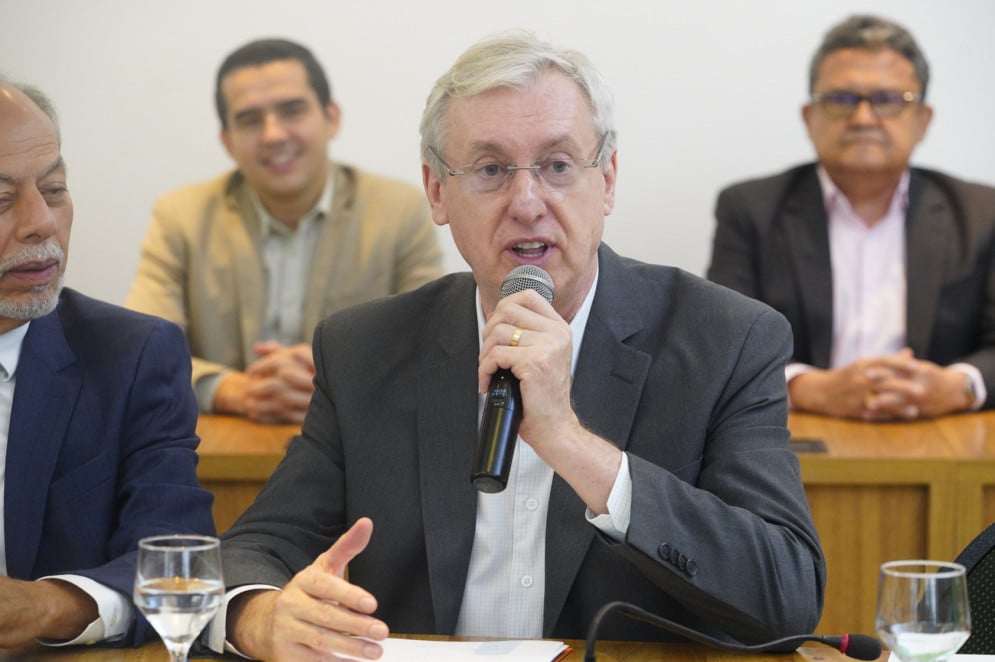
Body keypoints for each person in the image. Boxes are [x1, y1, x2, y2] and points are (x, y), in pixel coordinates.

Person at [207, 31, 825, 660]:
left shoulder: (726, 339)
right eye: (491, 171)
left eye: (558, 165)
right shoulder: (364, 348)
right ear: (437, 191)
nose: (527, 204)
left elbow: (786, 594)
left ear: (607, 179)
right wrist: (260, 618)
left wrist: (571, 442)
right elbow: (255, 547)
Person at [126, 38, 444, 425]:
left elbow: (431, 350)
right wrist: (235, 391)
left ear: (331, 117)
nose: (273, 134)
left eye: (292, 111)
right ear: (227, 141)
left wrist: (335, 381)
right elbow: (139, 354)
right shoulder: (181, 217)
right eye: (249, 119)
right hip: (226, 455)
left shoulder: (398, 211)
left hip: (355, 453)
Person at [0, 79, 215, 649]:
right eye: (0, 200)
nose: (40, 222)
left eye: (54, 189)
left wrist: (50, 605)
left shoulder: (131, 357)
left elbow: (176, 554)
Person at [707, 14, 995, 422]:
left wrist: (959, 385)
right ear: (809, 118)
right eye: (841, 100)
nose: (863, 118)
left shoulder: (982, 214)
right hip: (799, 441)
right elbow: (721, 343)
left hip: (941, 443)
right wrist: (806, 387)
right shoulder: (751, 209)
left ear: (922, 121)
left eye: (888, 100)